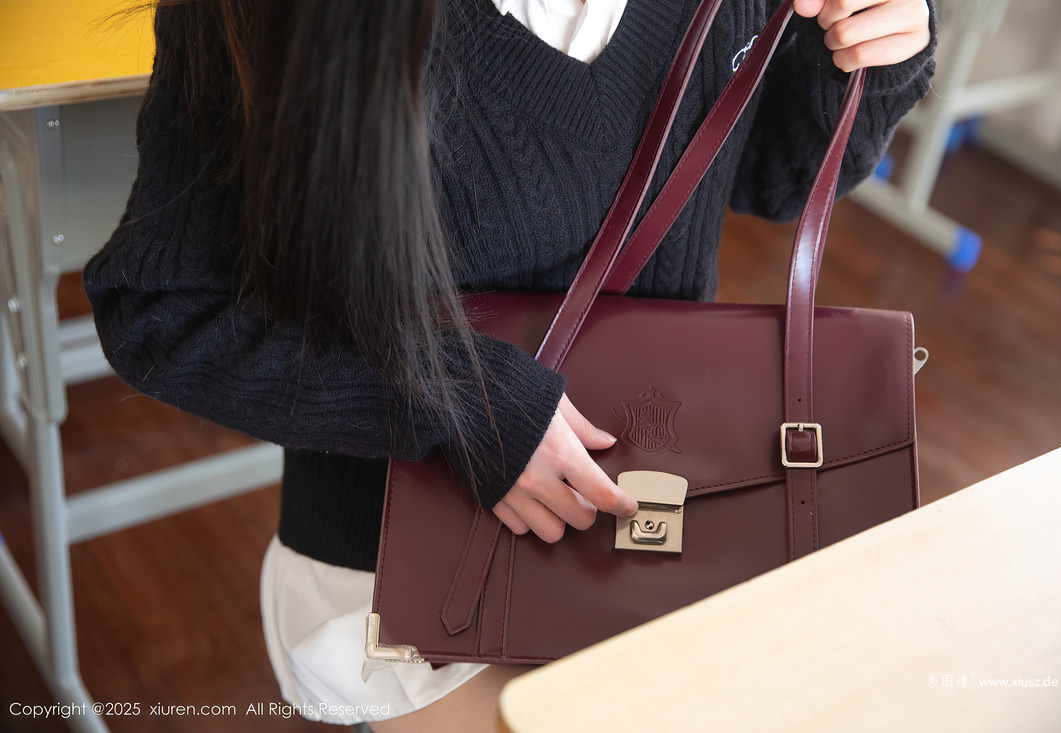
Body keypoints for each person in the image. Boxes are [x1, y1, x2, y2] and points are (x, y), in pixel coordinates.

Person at [84, 0, 935, 729]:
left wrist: (877, 45)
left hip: (664, 514)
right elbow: (165, 310)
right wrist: (458, 397)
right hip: (407, 556)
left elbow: (769, 171)